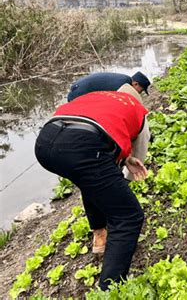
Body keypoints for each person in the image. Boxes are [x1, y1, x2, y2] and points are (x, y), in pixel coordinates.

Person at [35, 85, 150, 290]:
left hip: (46, 142)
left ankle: (100, 238)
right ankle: (109, 289)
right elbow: (137, 155)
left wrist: (124, 159)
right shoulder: (139, 112)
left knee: (90, 180)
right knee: (128, 216)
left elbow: (100, 129)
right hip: (82, 146)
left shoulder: (98, 96)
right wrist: (122, 181)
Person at [67, 71, 151, 102]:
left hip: (78, 86)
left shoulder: (125, 79)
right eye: (141, 90)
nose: (140, 93)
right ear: (135, 84)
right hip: (79, 92)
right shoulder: (122, 86)